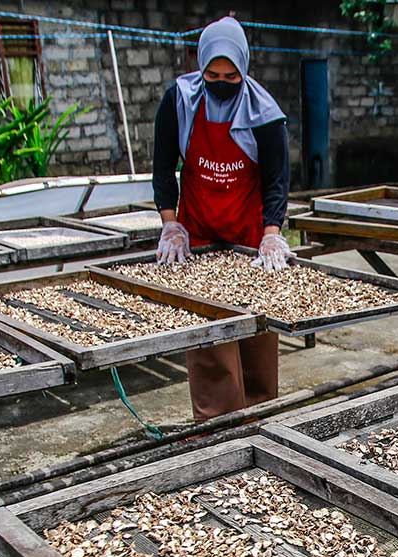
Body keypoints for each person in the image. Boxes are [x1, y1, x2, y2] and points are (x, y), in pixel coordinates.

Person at [152, 16, 292, 421]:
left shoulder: (265, 113)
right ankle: (219, 435)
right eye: (212, 73)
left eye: (231, 75)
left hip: (249, 238)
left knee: (256, 341)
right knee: (211, 348)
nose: (221, 81)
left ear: (244, 69)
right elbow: (163, 168)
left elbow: (277, 180)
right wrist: (170, 225)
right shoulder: (179, 100)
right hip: (196, 236)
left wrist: (271, 234)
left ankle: (262, 425)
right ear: (200, 67)